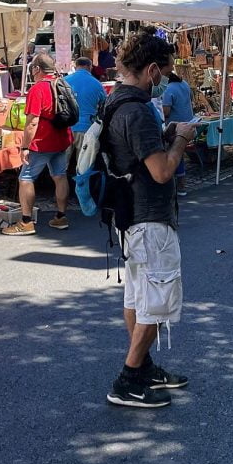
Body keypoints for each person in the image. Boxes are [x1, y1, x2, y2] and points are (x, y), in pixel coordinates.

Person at [101, 28, 197, 408]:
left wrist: (166, 133)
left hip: (130, 217)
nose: (166, 79)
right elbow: (160, 171)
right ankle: (128, 377)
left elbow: (137, 154)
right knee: (157, 302)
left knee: (140, 298)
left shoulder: (116, 102)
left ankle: (142, 367)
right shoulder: (137, 110)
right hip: (150, 217)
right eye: (167, 71)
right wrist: (180, 140)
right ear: (153, 69)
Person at [2, 53, 71, 235]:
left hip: (43, 141)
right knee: (60, 175)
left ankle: (26, 222)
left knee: (25, 179)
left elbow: (32, 122)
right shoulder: (62, 83)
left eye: (33, 69)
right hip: (62, 138)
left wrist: (25, 147)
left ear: (37, 69)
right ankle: (60, 216)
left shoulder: (38, 89)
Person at [66, 57, 107, 170]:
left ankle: (61, 186)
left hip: (66, 129)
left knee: (60, 168)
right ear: (90, 67)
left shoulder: (64, 81)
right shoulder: (97, 84)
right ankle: (81, 187)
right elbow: (104, 104)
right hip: (86, 129)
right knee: (83, 168)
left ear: (76, 66)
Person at [161, 65, 195, 195]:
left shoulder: (168, 89)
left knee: (175, 153)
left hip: (177, 127)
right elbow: (190, 99)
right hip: (189, 123)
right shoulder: (184, 83)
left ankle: (180, 184)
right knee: (178, 153)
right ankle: (179, 182)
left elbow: (166, 112)